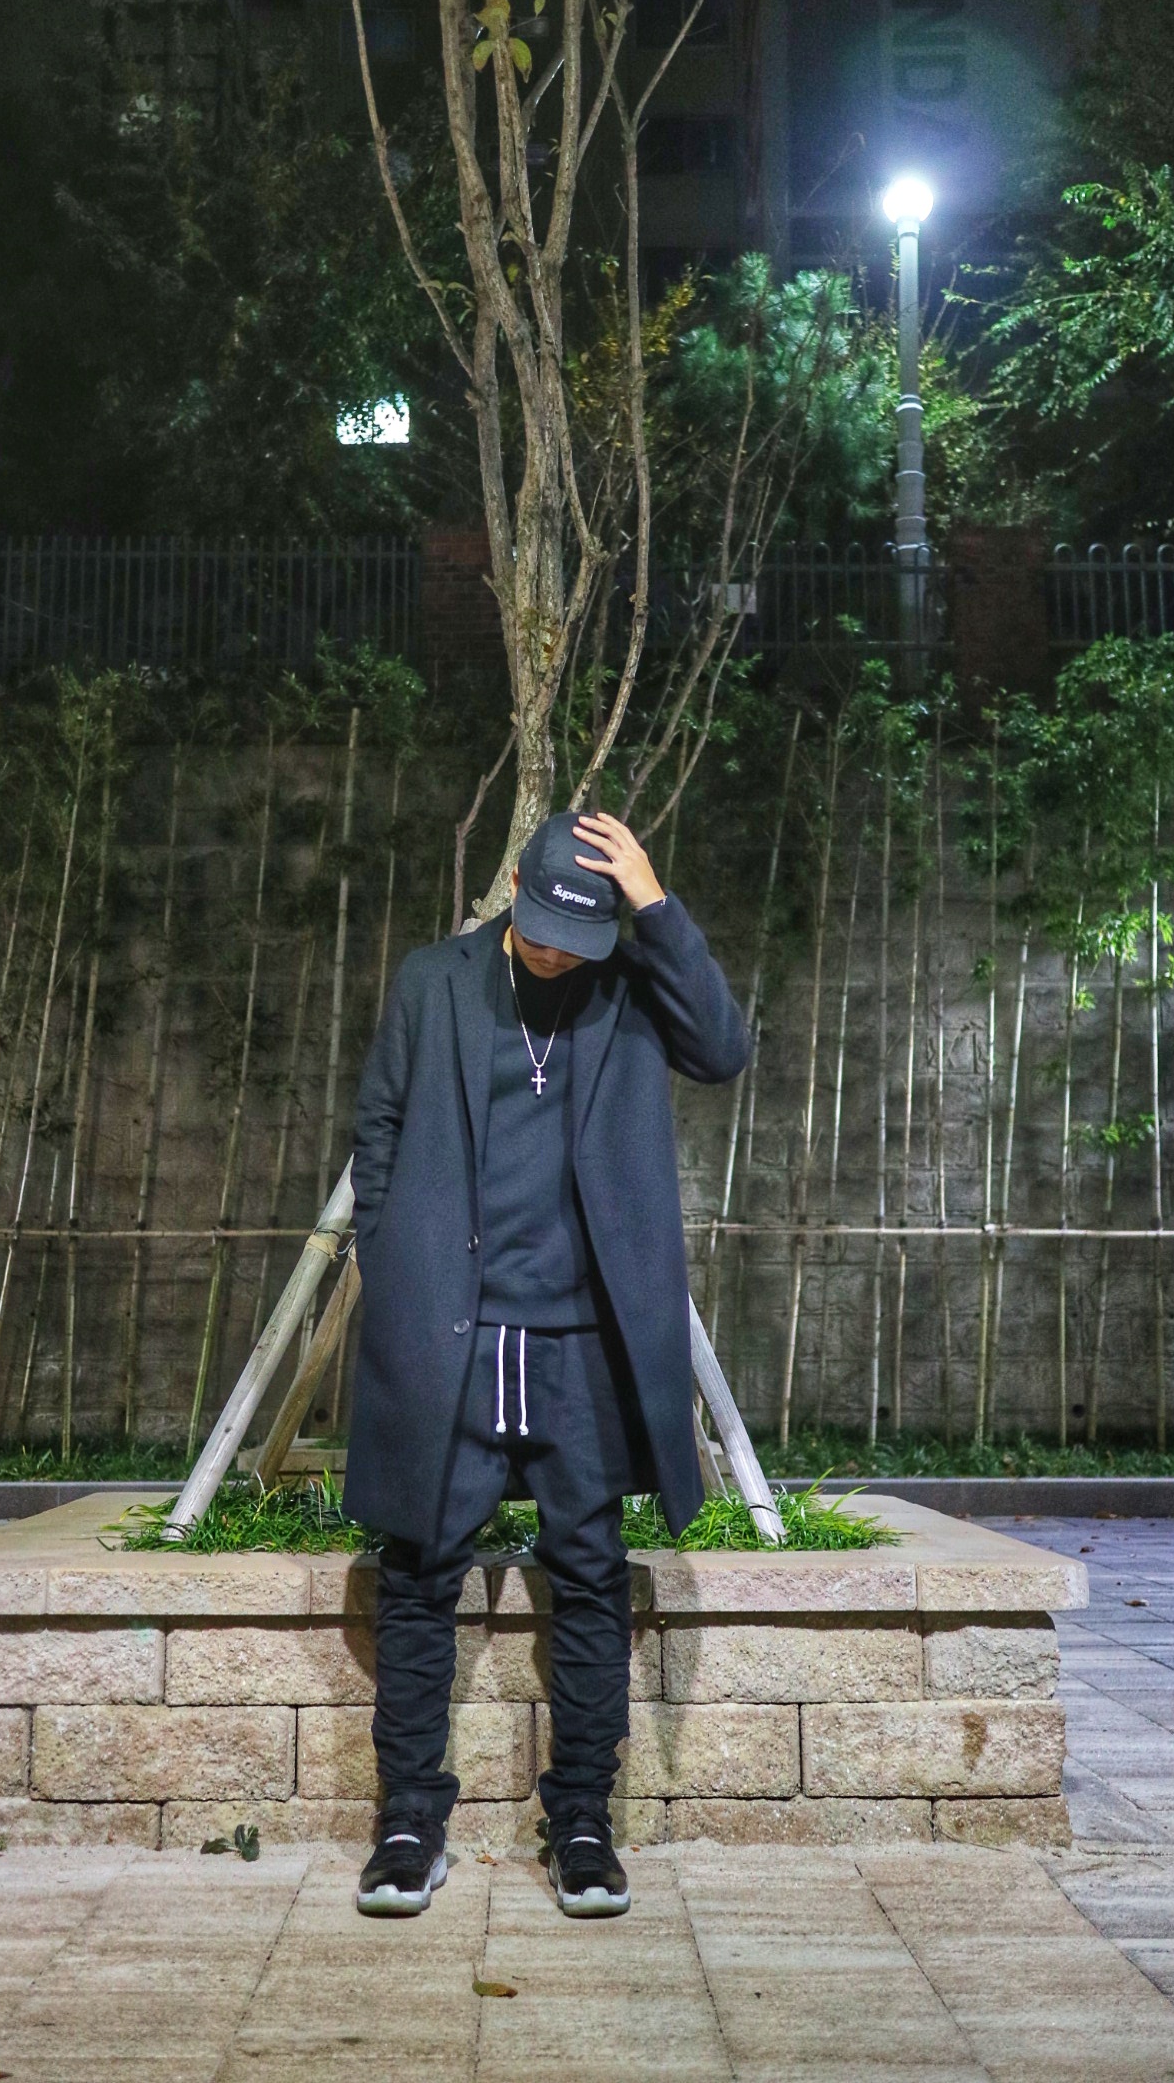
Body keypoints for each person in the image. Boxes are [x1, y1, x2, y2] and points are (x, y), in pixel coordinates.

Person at [344, 808, 749, 1919]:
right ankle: (408, 1824)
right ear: (514, 889)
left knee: (590, 1570)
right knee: (418, 1569)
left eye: (581, 937)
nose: (558, 954)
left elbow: (722, 1050)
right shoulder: (434, 981)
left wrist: (656, 906)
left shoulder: (630, 983)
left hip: (583, 1339)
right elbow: (378, 1130)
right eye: (542, 931)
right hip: (455, 1332)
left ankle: (581, 1823)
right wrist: (394, 1259)